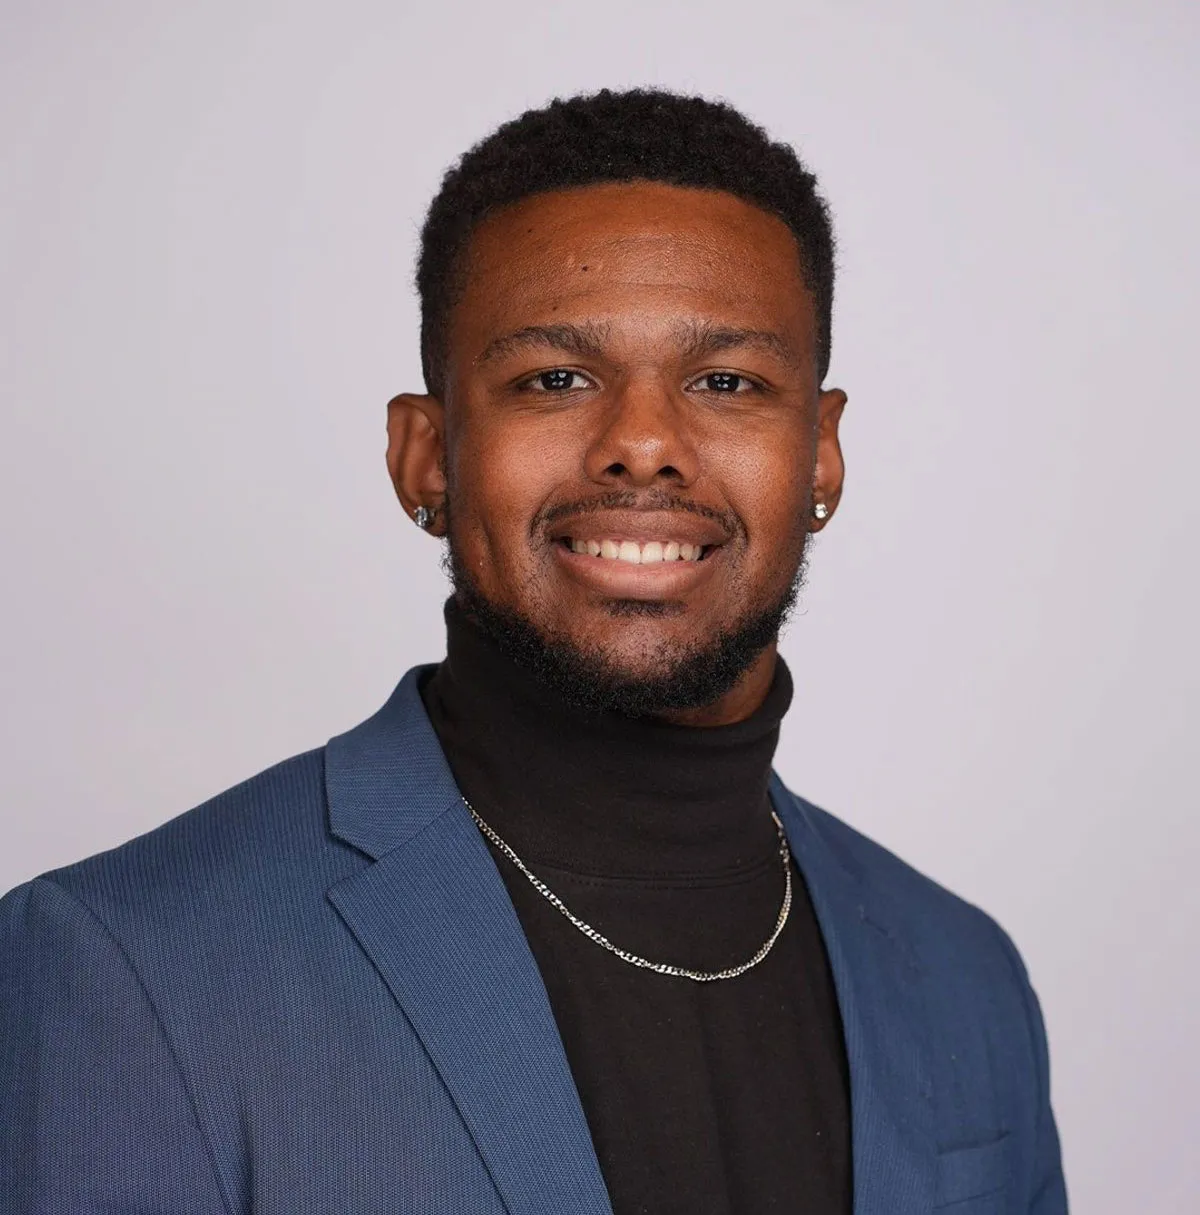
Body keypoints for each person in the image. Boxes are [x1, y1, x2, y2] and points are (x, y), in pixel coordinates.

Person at [0, 89, 1067, 1214]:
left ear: (821, 457)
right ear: (425, 457)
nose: (643, 445)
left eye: (727, 381)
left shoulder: (965, 978)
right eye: (555, 379)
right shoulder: (126, 967)